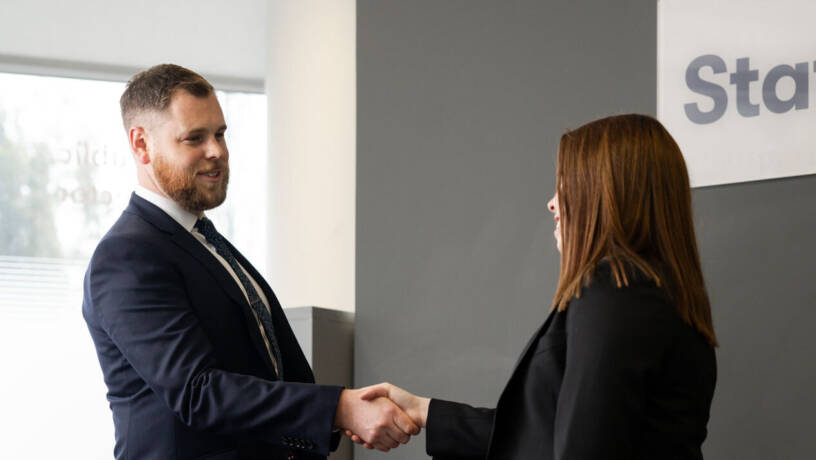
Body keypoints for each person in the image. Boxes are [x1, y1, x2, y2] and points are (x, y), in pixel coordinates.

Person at [82, 64, 419, 460]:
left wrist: (341, 414)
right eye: (194, 138)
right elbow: (198, 392)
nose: (217, 152)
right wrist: (339, 407)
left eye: (220, 134)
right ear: (141, 145)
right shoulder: (127, 256)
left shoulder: (206, 242)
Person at [349, 114, 718, 459]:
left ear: (608, 193)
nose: (552, 203)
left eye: (564, 186)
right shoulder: (656, 293)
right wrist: (423, 409)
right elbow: (541, 436)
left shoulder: (614, 291)